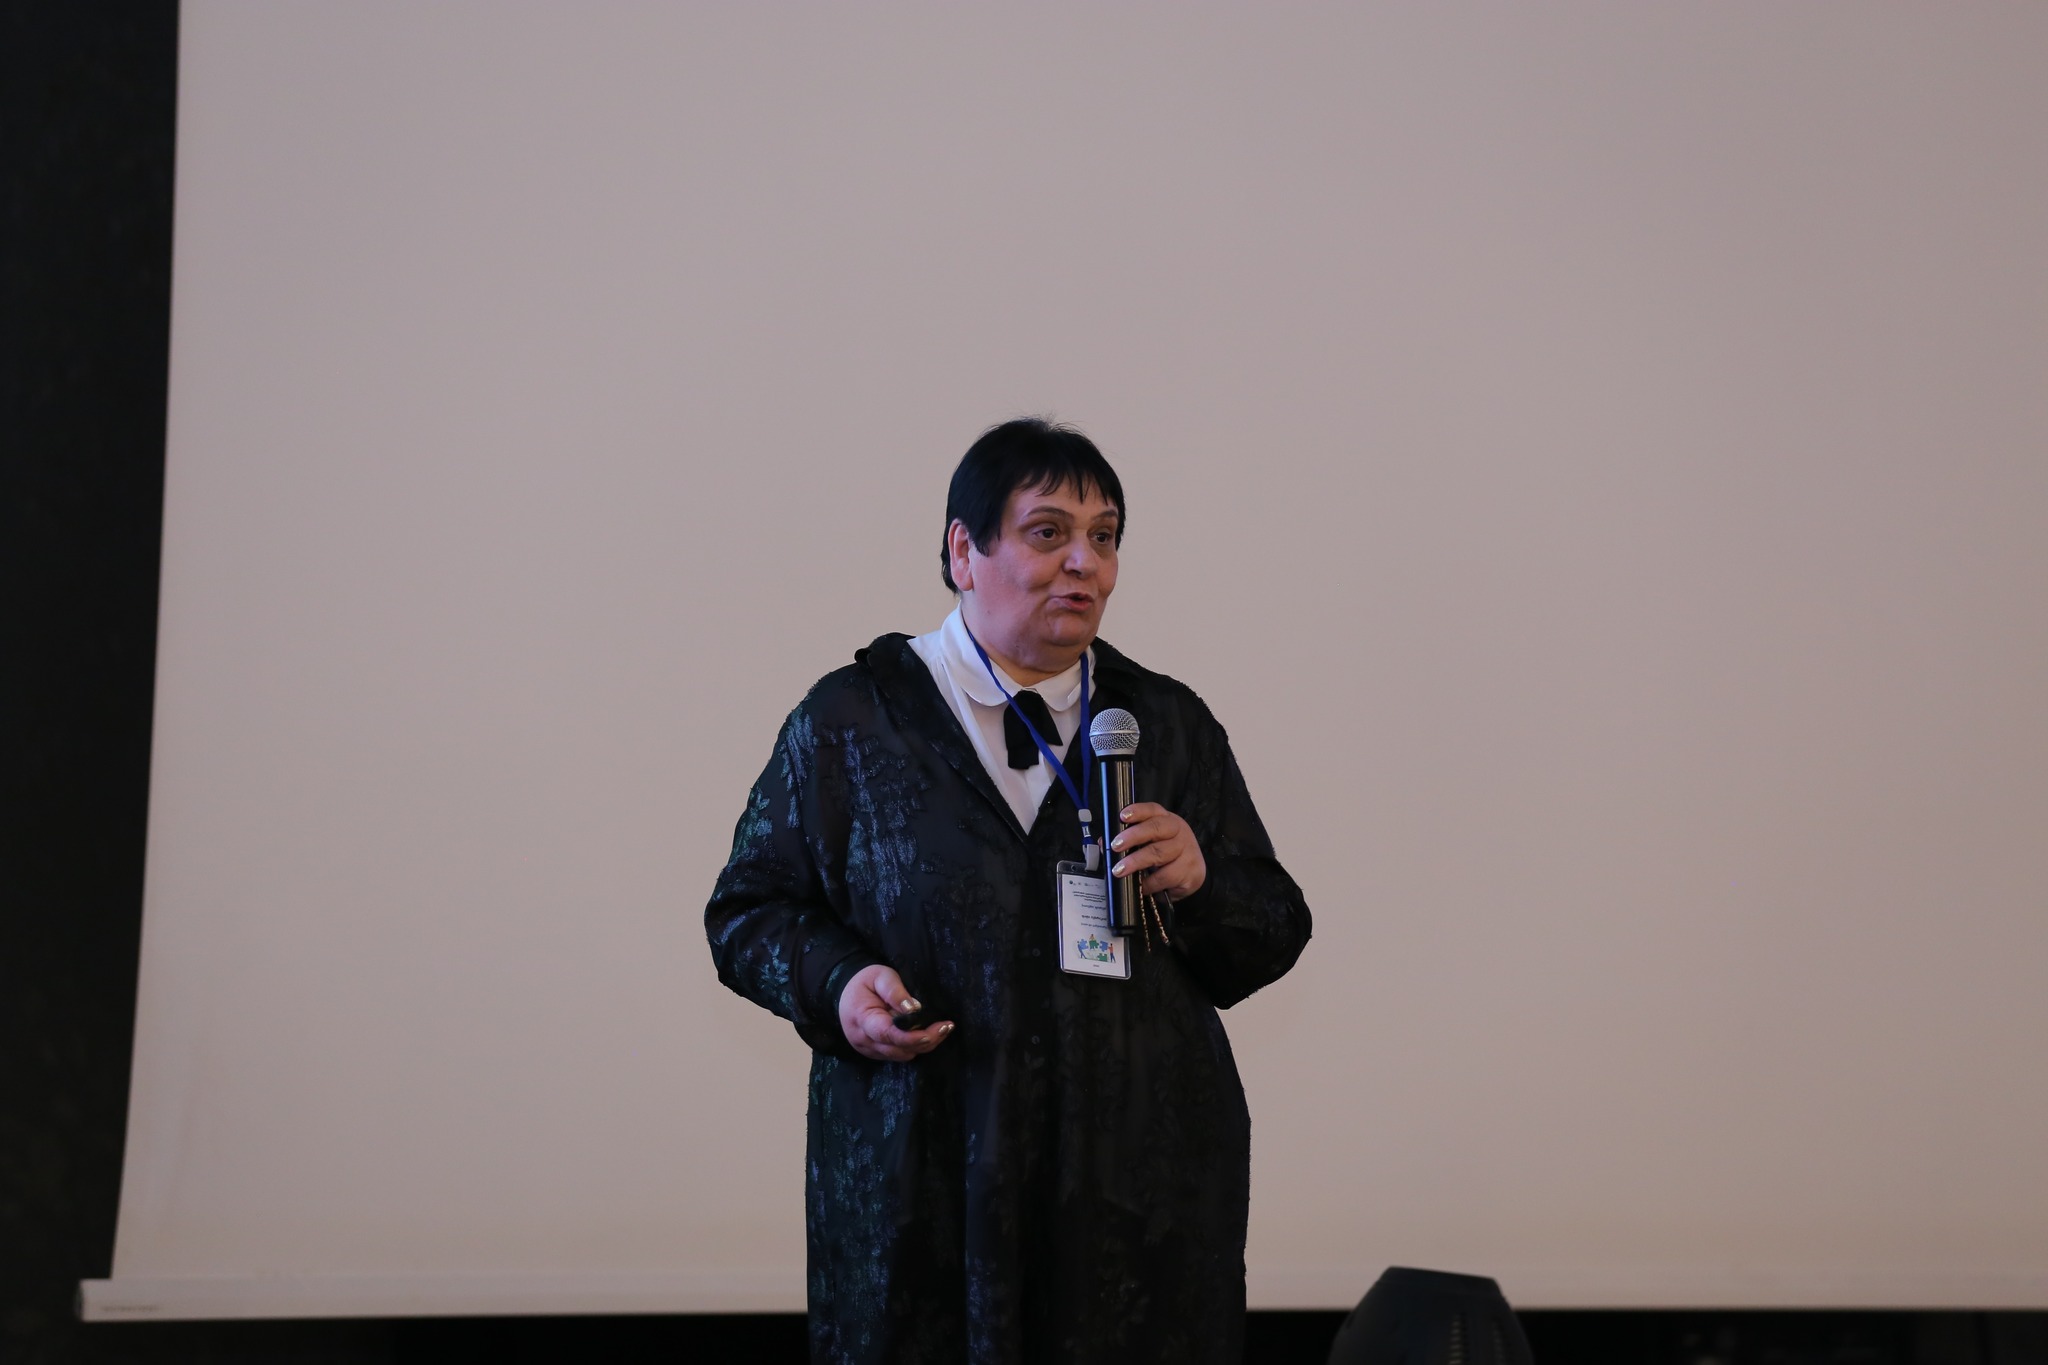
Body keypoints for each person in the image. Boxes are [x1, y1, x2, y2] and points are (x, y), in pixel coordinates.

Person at [706, 418, 1311, 1364]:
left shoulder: (1162, 723)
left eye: (1104, 536)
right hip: (926, 1189)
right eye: (1048, 532)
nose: (1084, 562)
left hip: (1131, 1207)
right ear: (963, 550)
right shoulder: (855, 719)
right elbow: (749, 912)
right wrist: (839, 983)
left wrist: (1201, 880)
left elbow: (1271, 929)